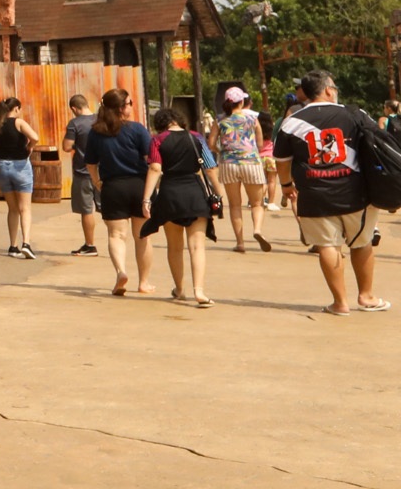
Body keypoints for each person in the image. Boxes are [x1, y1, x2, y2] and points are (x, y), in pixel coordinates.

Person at [272, 69, 388, 314]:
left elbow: (282, 160)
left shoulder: (290, 122)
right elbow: (378, 144)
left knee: (327, 246)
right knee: (361, 243)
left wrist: (285, 186)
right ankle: (366, 297)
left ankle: (340, 303)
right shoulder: (354, 114)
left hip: (314, 195)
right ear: (327, 90)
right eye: (334, 87)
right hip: (356, 194)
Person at [140, 107, 220, 305]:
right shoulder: (196, 137)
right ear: (179, 120)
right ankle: (199, 291)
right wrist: (218, 192)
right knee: (197, 246)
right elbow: (209, 168)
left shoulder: (157, 140)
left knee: (175, 247)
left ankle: (180, 289)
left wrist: (147, 198)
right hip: (195, 193)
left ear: (160, 124)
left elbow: (155, 168)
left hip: (170, 195)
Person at [84, 87, 155, 295]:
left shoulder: (96, 132)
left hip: (112, 187)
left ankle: (121, 271)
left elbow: (90, 164)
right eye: (130, 103)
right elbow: (150, 159)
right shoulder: (137, 129)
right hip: (139, 185)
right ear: (122, 108)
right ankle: (143, 283)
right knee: (143, 236)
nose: (132, 107)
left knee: (116, 235)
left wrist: (98, 183)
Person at [215, 87, 273, 253]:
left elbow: (212, 143)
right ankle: (257, 230)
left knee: (235, 205)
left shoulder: (220, 120)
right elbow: (260, 144)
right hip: (251, 163)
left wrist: (224, 152)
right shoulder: (252, 118)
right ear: (242, 101)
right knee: (257, 203)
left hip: (228, 164)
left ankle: (240, 243)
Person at [0, 97, 42, 259]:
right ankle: (26, 243)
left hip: (2, 166)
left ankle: (13, 246)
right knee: (25, 208)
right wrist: (29, 147)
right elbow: (35, 137)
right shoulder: (19, 123)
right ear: (17, 109)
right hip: (20, 166)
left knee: (12, 209)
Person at [63, 94, 101, 256]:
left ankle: (90, 245)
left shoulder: (75, 124)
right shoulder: (101, 120)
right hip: (104, 172)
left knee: (87, 210)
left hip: (83, 172)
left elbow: (66, 146)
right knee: (109, 209)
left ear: (74, 108)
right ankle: (118, 237)